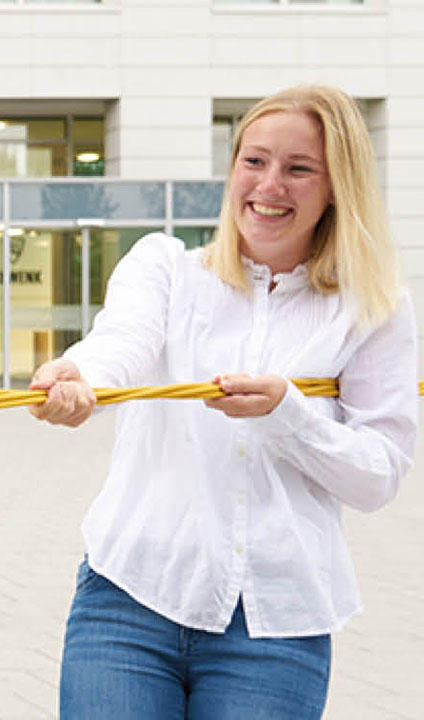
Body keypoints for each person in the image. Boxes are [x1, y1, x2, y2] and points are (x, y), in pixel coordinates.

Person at [28, 85, 417, 719]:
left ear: (337, 187)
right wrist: (79, 380)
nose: (269, 185)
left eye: (299, 169)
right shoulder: (164, 269)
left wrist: (288, 415)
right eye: (253, 161)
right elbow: (120, 343)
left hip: (277, 629)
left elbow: (378, 477)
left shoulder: (374, 308)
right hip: (128, 603)